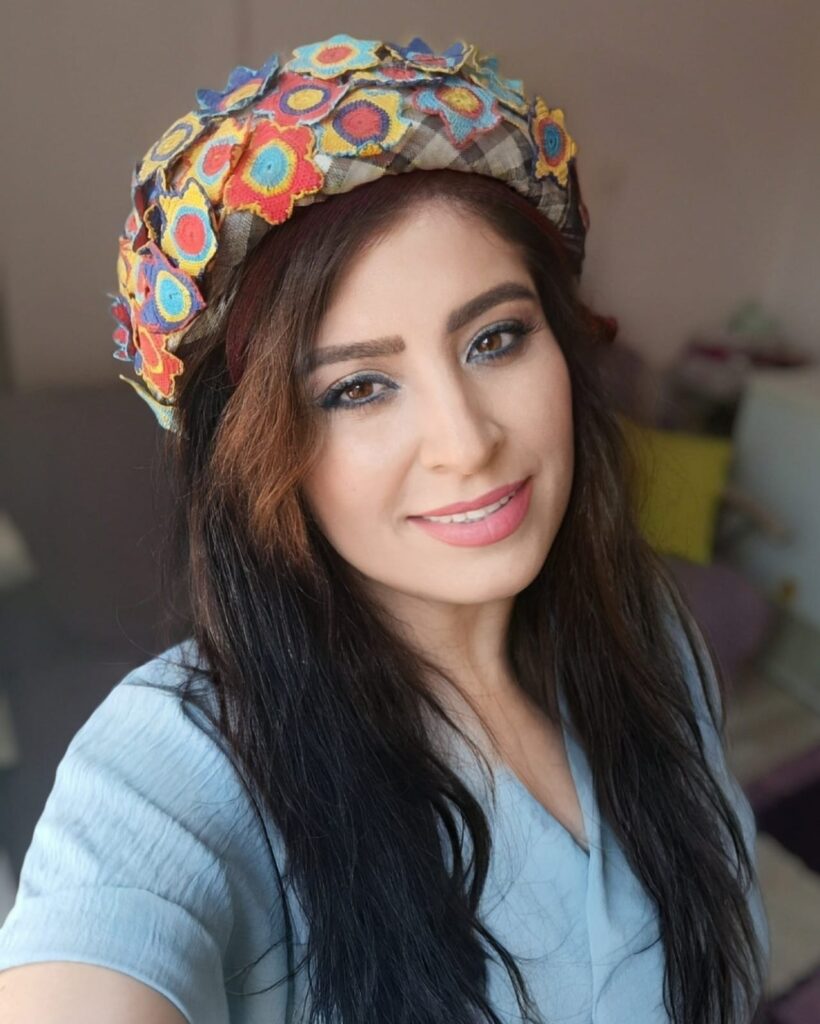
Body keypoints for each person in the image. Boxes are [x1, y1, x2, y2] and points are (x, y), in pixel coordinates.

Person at [0, 32, 769, 1024]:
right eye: (358, 388)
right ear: (257, 450)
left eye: (495, 338)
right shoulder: (178, 762)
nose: (466, 443)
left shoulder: (653, 635)